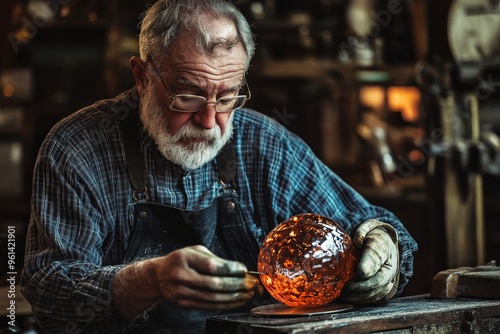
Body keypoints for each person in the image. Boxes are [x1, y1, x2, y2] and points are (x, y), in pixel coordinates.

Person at [21, 0, 418, 333]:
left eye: (227, 97)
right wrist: (148, 280)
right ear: (142, 77)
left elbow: (377, 229)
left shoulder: (263, 144)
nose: (210, 121)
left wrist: (383, 249)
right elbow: (49, 295)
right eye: (188, 96)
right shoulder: (76, 150)